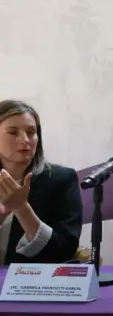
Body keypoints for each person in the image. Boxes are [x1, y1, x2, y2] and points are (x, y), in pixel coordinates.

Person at [0, 100, 82, 264]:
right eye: (13, 132)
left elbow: (64, 251)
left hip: (28, 278)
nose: (25, 140)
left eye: (31, 132)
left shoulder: (61, 180)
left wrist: (21, 208)